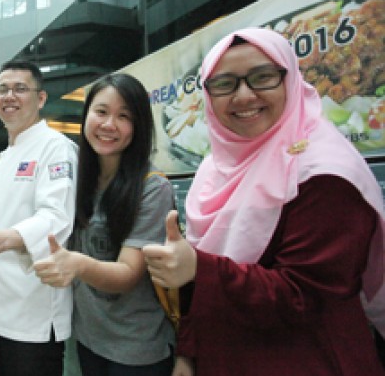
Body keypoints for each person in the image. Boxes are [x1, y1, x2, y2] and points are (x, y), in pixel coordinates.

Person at [142, 27, 385, 375]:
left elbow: (304, 296)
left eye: (262, 77)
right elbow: (201, 287)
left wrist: (200, 267)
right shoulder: (215, 169)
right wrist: (189, 350)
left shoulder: (324, 173)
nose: (243, 96)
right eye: (225, 83)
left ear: (290, 79)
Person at [33, 73, 175, 375]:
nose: (109, 124)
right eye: (101, 112)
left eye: (124, 116)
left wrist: (77, 265)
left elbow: (127, 274)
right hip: (87, 339)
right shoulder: (79, 177)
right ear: (86, 117)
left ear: (138, 127)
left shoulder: (152, 188)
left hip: (137, 349)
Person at [0, 60, 78, 376]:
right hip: (1, 309)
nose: (9, 96)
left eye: (20, 89)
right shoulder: (11, 152)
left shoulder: (55, 147)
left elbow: (56, 217)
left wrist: (2, 239)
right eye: (2, 89)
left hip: (34, 313)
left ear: (40, 99)